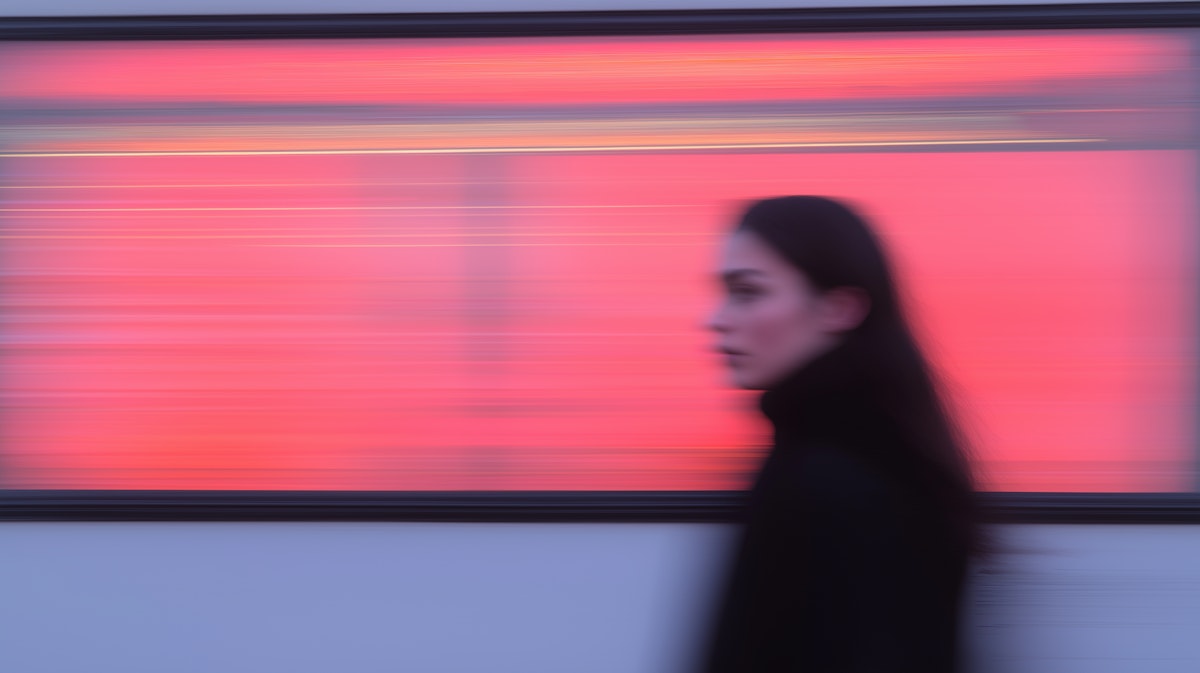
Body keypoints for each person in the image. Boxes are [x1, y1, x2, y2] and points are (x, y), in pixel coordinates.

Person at [702, 196, 977, 673]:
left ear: (839, 309)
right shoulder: (875, 454)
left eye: (747, 293)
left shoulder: (828, 477)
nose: (717, 319)